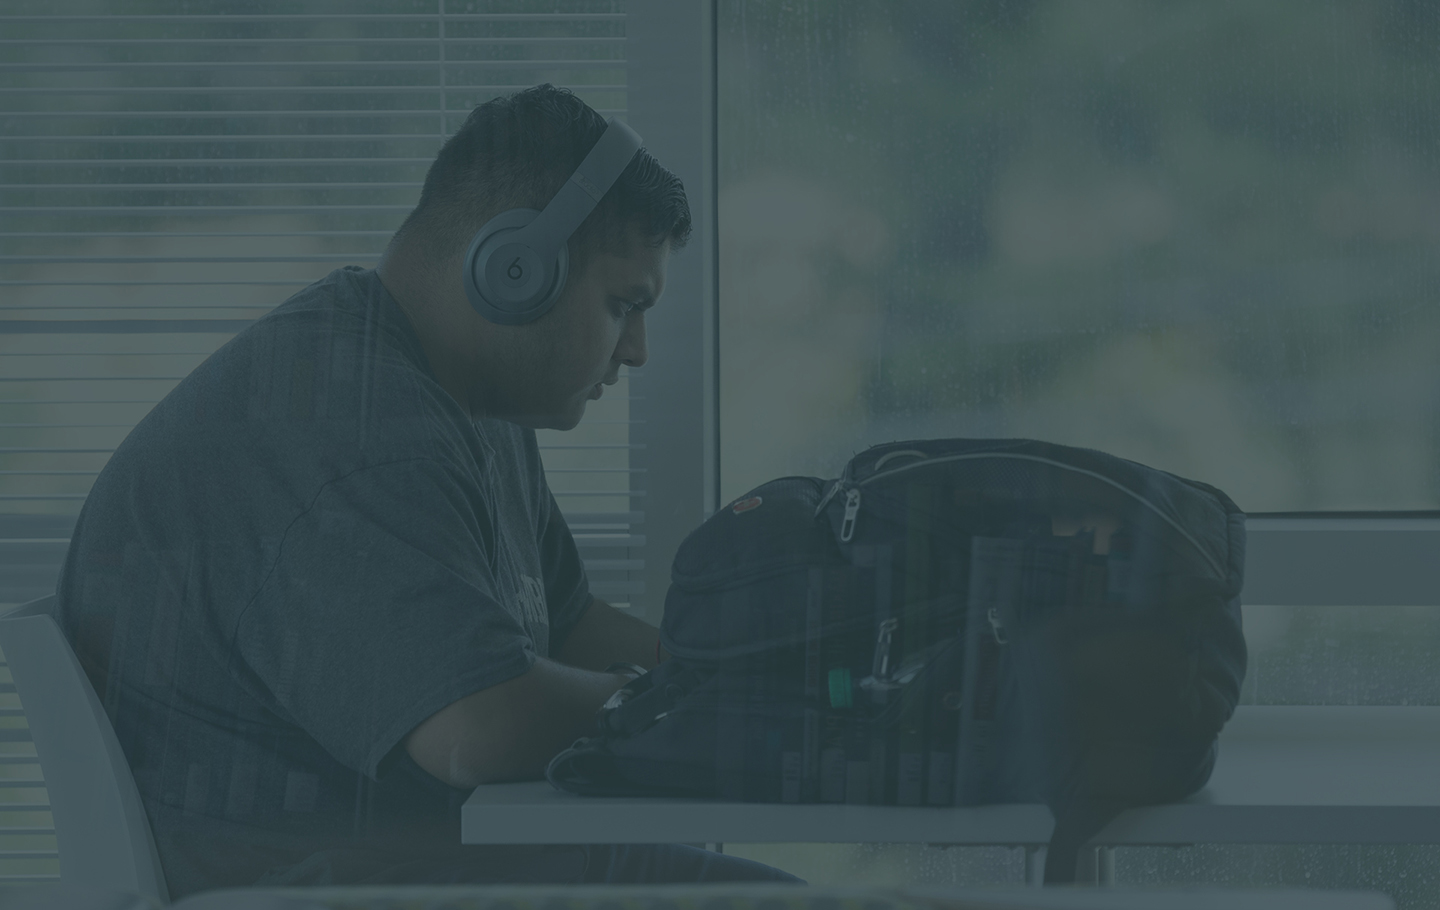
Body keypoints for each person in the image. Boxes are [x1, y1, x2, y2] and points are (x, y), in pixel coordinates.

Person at [56, 84, 798, 898]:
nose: (639, 351)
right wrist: (675, 704)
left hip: (431, 868)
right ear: (517, 270)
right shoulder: (351, 426)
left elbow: (569, 625)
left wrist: (762, 678)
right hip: (338, 889)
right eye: (624, 304)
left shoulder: (460, 398)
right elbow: (475, 729)